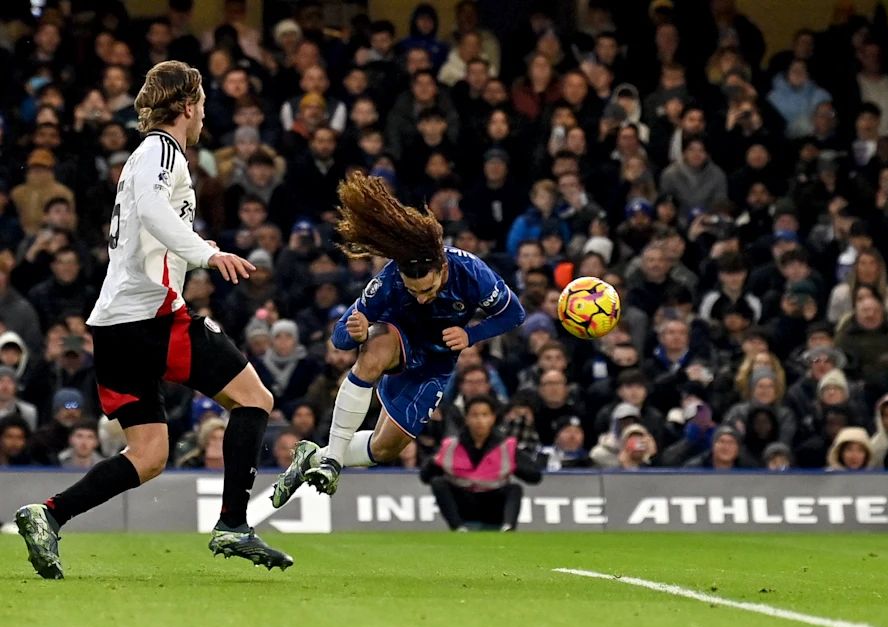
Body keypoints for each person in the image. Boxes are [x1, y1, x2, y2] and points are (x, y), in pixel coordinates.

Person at [13, 61, 293, 580]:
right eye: (203, 102)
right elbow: (154, 214)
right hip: (151, 318)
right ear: (188, 106)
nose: (205, 112)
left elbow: (146, 233)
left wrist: (192, 251)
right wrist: (207, 258)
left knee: (148, 454)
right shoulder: (162, 150)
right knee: (255, 399)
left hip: (117, 326)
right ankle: (233, 522)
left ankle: (48, 514)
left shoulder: (149, 158)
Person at [271, 172, 525, 506]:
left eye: (428, 290)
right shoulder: (388, 280)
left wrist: (471, 334)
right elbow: (340, 338)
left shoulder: (473, 273)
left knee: (384, 448)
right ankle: (332, 460)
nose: (421, 298)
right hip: (398, 340)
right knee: (375, 347)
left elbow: (514, 313)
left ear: (442, 268)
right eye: (413, 290)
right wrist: (354, 332)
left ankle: (313, 459)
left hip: (435, 363)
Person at [420, 395, 540, 531]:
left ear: (493, 418)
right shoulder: (452, 445)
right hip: (464, 503)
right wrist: (434, 462)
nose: (480, 420)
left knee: (514, 489)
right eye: (475, 415)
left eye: (484, 415)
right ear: (466, 418)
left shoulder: (506, 446)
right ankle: (458, 528)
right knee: (439, 483)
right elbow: (425, 477)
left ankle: (507, 528)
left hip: (493, 505)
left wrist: (515, 465)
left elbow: (535, 476)